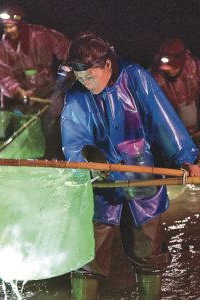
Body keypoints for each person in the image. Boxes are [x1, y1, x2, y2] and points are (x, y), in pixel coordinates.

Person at [61, 32, 200, 300]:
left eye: (91, 75)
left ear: (108, 65)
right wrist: (86, 163)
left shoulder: (135, 78)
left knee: (148, 253)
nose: (87, 83)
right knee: (88, 255)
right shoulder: (76, 95)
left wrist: (186, 158)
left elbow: (163, 121)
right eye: (81, 77)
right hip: (100, 181)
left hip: (142, 176)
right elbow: (73, 140)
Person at [0, 4, 71, 159]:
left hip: (48, 89)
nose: (9, 31)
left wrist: (69, 68)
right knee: (15, 122)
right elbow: (1, 75)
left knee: (52, 122)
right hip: (22, 94)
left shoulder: (41, 34)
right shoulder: (2, 48)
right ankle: (20, 154)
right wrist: (19, 91)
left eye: (12, 27)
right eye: (6, 27)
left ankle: (54, 155)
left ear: (20, 25)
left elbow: (66, 48)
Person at [150, 38, 200, 135]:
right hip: (173, 130)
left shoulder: (196, 68)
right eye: (167, 68)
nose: (170, 71)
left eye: (174, 67)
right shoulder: (154, 77)